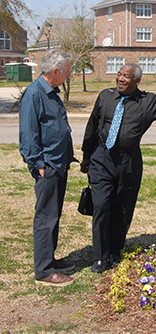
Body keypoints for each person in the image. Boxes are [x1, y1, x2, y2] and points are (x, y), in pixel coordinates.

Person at [80, 63, 156, 273]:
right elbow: (92, 125)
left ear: (137, 81)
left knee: (122, 209)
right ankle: (100, 257)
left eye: (126, 76)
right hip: (102, 158)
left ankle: (114, 251)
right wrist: (86, 156)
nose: (120, 79)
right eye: (119, 74)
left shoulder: (147, 102)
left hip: (129, 162)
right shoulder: (105, 96)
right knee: (101, 205)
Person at [19, 49, 77, 286]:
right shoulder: (34, 94)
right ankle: (43, 270)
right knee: (46, 217)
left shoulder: (52, 91)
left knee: (54, 214)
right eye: (67, 71)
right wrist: (38, 163)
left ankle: (49, 258)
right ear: (55, 71)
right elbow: (28, 133)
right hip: (48, 166)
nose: (69, 75)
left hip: (58, 164)